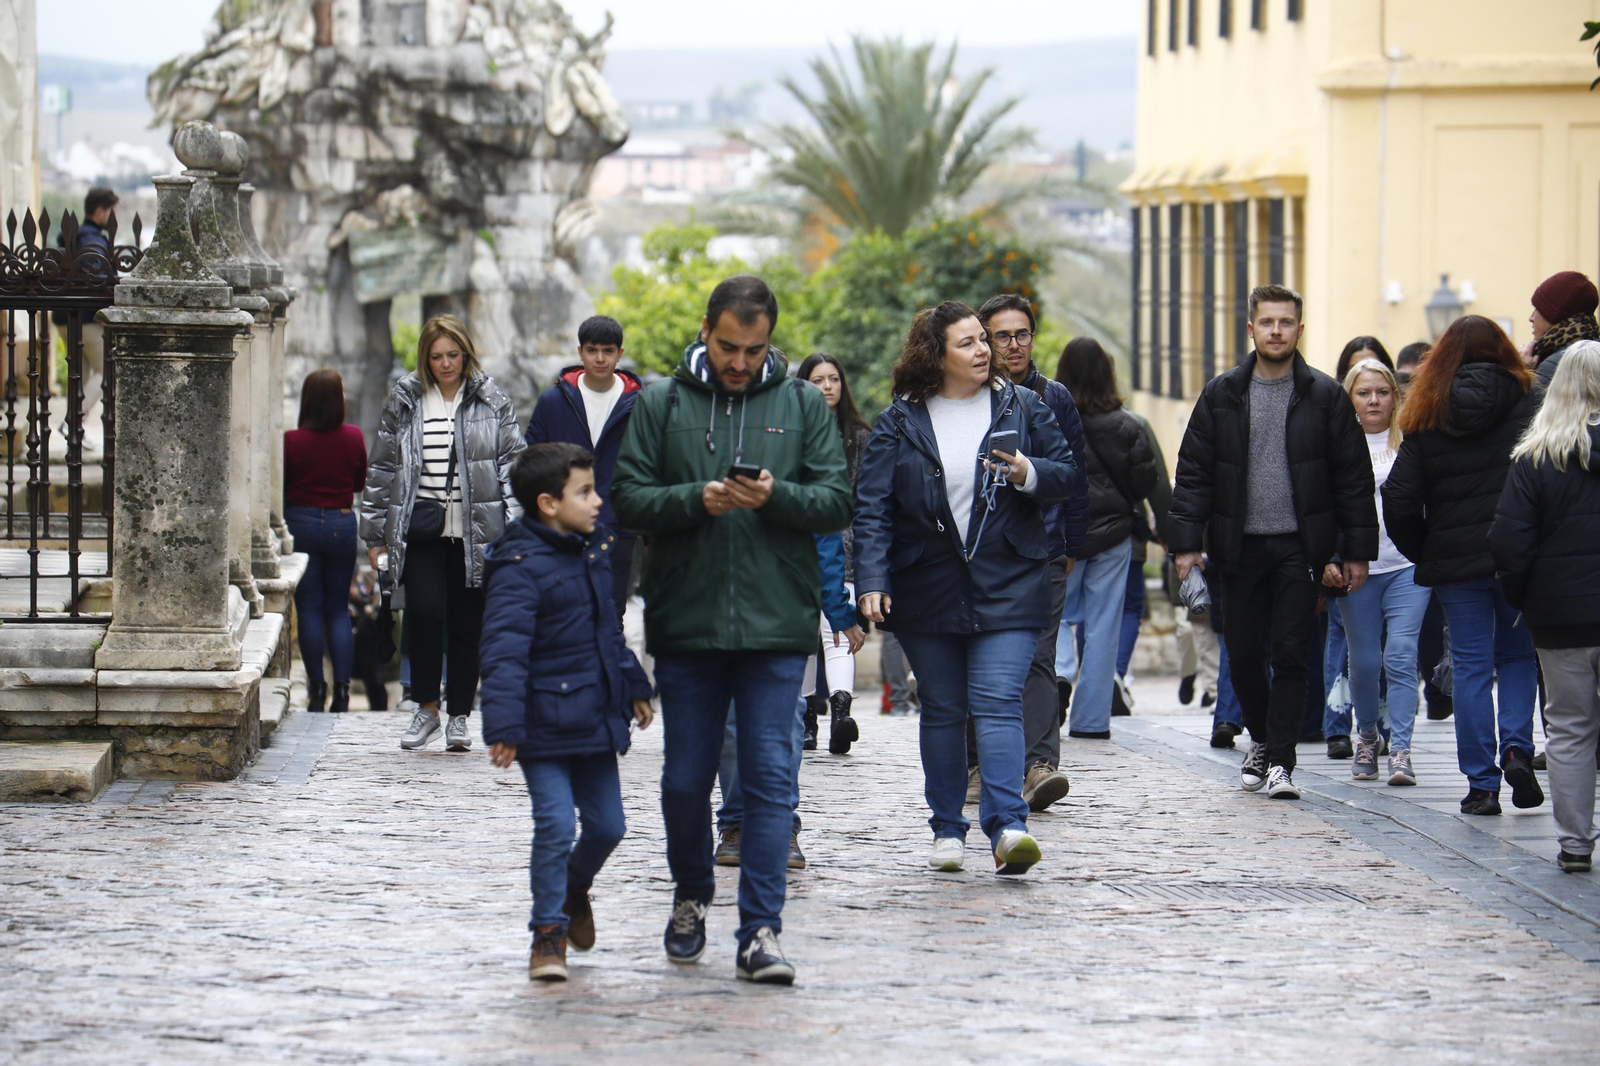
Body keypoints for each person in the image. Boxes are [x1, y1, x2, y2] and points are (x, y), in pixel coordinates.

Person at [611, 275, 851, 985]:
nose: (740, 362)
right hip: (687, 622)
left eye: (754, 348)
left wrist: (777, 497)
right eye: (727, 347)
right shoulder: (659, 402)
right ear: (704, 330)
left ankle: (761, 931)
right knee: (685, 782)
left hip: (778, 623)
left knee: (773, 780)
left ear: (771, 340)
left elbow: (836, 498)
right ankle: (690, 894)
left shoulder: (804, 404)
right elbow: (627, 497)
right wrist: (698, 499)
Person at [854, 301, 1079, 877]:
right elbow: (873, 507)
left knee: (998, 700)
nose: (985, 350)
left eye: (985, 339)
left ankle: (1008, 827)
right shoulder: (899, 421)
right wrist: (872, 579)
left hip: (1010, 578)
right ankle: (947, 829)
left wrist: (1030, 473)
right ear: (937, 355)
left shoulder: (1022, 405)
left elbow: (1070, 474)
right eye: (969, 343)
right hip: (926, 583)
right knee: (945, 709)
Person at [1170, 284, 1377, 801]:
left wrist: (1354, 551)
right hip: (1237, 545)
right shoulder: (1222, 394)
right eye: (1268, 323)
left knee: (1290, 655)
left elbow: (1352, 478)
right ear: (1251, 328)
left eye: (1286, 323)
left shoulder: (1326, 396)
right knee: (1241, 655)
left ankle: (1281, 762)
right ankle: (1261, 738)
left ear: (1299, 329)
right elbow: (1193, 473)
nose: (1277, 331)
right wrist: (1186, 546)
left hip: (1299, 547)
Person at [480, 443, 655, 981]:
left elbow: (608, 631)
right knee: (555, 824)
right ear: (548, 503)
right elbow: (503, 650)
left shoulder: (593, 551)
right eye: (585, 491)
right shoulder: (518, 567)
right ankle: (547, 934)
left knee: (608, 826)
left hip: (596, 715)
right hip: (540, 722)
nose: (598, 500)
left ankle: (575, 887)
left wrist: (632, 683)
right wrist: (505, 725)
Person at [1382, 315, 1541, 816]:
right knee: (1517, 656)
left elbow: (1399, 497)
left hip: (1456, 561)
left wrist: (1425, 550)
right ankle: (1517, 747)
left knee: (1471, 663)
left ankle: (1482, 785)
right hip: (1519, 555)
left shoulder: (1428, 411)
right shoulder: (1532, 402)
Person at [361, 315, 522, 753]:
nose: (446, 364)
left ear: (466, 354)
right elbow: (383, 467)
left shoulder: (492, 400)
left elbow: (512, 465)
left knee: (469, 624)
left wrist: (519, 528)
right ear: (425, 358)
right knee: (426, 614)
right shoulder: (407, 399)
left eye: (453, 355)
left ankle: (459, 717)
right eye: (436, 357)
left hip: (478, 531)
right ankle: (427, 707)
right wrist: (374, 533)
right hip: (422, 530)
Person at [975, 294, 1089, 812]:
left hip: (1044, 547)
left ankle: (1040, 765)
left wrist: (1073, 545)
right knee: (979, 656)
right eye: (1002, 335)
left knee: (1040, 653)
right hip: (981, 550)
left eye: (1022, 334)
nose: (1014, 345)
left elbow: (1076, 475)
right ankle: (977, 763)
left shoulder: (1054, 396)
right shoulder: (967, 396)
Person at [1490, 341, 1600, 872]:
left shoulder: (1535, 458)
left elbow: (1510, 544)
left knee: (1569, 728)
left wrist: (1525, 597)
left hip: (1561, 617)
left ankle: (1575, 843)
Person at [1055, 337, 1157, 741]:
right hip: (1114, 536)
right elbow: (1144, 482)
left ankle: (1059, 674)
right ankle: (1092, 720)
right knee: (1102, 627)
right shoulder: (1128, 425)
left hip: (1065, 536)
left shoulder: (1051, 418)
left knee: (1057, 614)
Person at [1335, 358, 1429, 785]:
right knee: (1366, 661)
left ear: (1395, 396)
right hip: (1359, 568)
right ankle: (1368, 736)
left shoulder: (1411, 440)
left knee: (1402, 655)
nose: (1374, 400)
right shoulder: (1336, 444)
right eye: (1364, 392)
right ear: (1349, 399)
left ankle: (1403, 749)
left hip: (1406, 564)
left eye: (1382, 392)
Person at [523, 315, 643, 622]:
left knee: (610, 617)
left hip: (616, 524)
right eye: (592, 350)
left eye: (608, 351)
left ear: (620, 353)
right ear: (580, 352)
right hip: (562, 526)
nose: (600, 358)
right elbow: (531, 460)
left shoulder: (639, 404)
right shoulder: (553, 401)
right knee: (562, 616)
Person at [794, 353, 872, 752]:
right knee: (809, 630)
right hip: (801, 545)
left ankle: (841, 712)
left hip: (845, 545)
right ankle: (808, 717)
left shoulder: (859, 435)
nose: (827, 386)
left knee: (834, 627)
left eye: (833, 378)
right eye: (818, 379)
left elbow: (869, 499)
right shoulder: (793, 430)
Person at [284, 369, 368, 713]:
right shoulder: (352, 436)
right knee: (337, 610)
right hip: (341, 521)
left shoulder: (292, 440)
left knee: (309, 609)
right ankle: (344, 690)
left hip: (301, 521)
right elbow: (360, 482)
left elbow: (283, 483)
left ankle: (317, 689)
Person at [1114, 409, 1172, 713]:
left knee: (1086, 611)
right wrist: (1167, 531)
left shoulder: (1063, 415)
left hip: (1078, 536)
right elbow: (1157, 482)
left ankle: (1096, 677)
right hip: (1126, 532)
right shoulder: (1135, 422)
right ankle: (1116, 673)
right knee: (1129, 608)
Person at [1525, 271, 1600, 387]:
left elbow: (1530, 404)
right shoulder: (1592, 352)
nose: (1531, 318)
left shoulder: (1555, 366)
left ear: (1553, 316)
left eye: (1537, 309)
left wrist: (1523, 372)